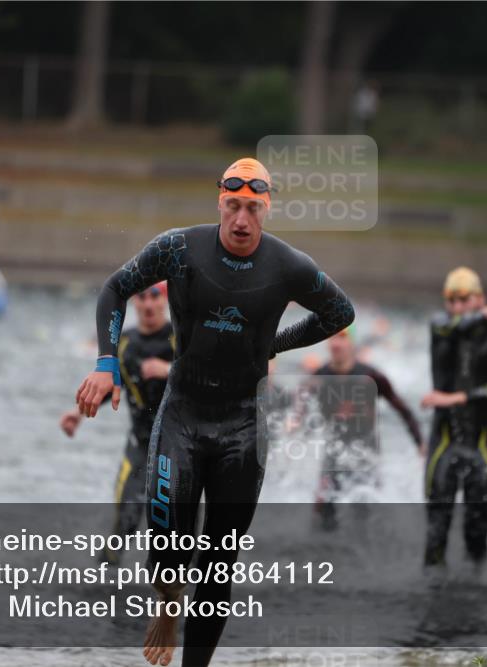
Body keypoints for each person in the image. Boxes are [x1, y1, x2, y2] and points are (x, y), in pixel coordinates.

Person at [75, 157, 355, 667]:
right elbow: (116, 287)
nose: (241, 220)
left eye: (252, 208)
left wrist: (276, 343)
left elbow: (340, 313)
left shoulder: (288, 265)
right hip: (182, 414)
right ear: (219, 203)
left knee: (219, 564)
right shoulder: (180, 248)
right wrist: (105, 363)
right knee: (167, 544)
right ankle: (167, 602)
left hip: (245, 425)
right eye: (233, 206)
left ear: (266, 209)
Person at [60, 283, 175, 562]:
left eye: (154, 298)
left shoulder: (179, 338)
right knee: (126, 516)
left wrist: (169, 369)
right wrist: (78, 413)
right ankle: (105, 584)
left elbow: (204, 377)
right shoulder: (124, 342)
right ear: (134, 302)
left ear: (164, 302)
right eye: (142, 298)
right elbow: (110, 382)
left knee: (178, 526)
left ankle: (192, 585)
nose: (148, 305)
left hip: (178, 446)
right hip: (139, 443)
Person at [420, 266, 487, 568]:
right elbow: (453, 326)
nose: (458, 307)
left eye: (465, 299)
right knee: (436, 535)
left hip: (483, 444)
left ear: (481, 298)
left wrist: (458, 398)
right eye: (452, 300)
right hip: (444, 443)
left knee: (476, 539)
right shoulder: (440, 327)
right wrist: (483, 315)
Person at [307, 325, 424, 529]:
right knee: (324, 506)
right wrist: (294, 422)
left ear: (351, 343)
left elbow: (403, 410)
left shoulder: (371, 376)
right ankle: (324, 552)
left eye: (342, 337)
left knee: (363, 508)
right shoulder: (320, 375)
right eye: (332, 338)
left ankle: (367, 550)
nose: (336, 343)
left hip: (366, 450)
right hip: (334, 449)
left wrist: (420, 443)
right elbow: (300, 407)